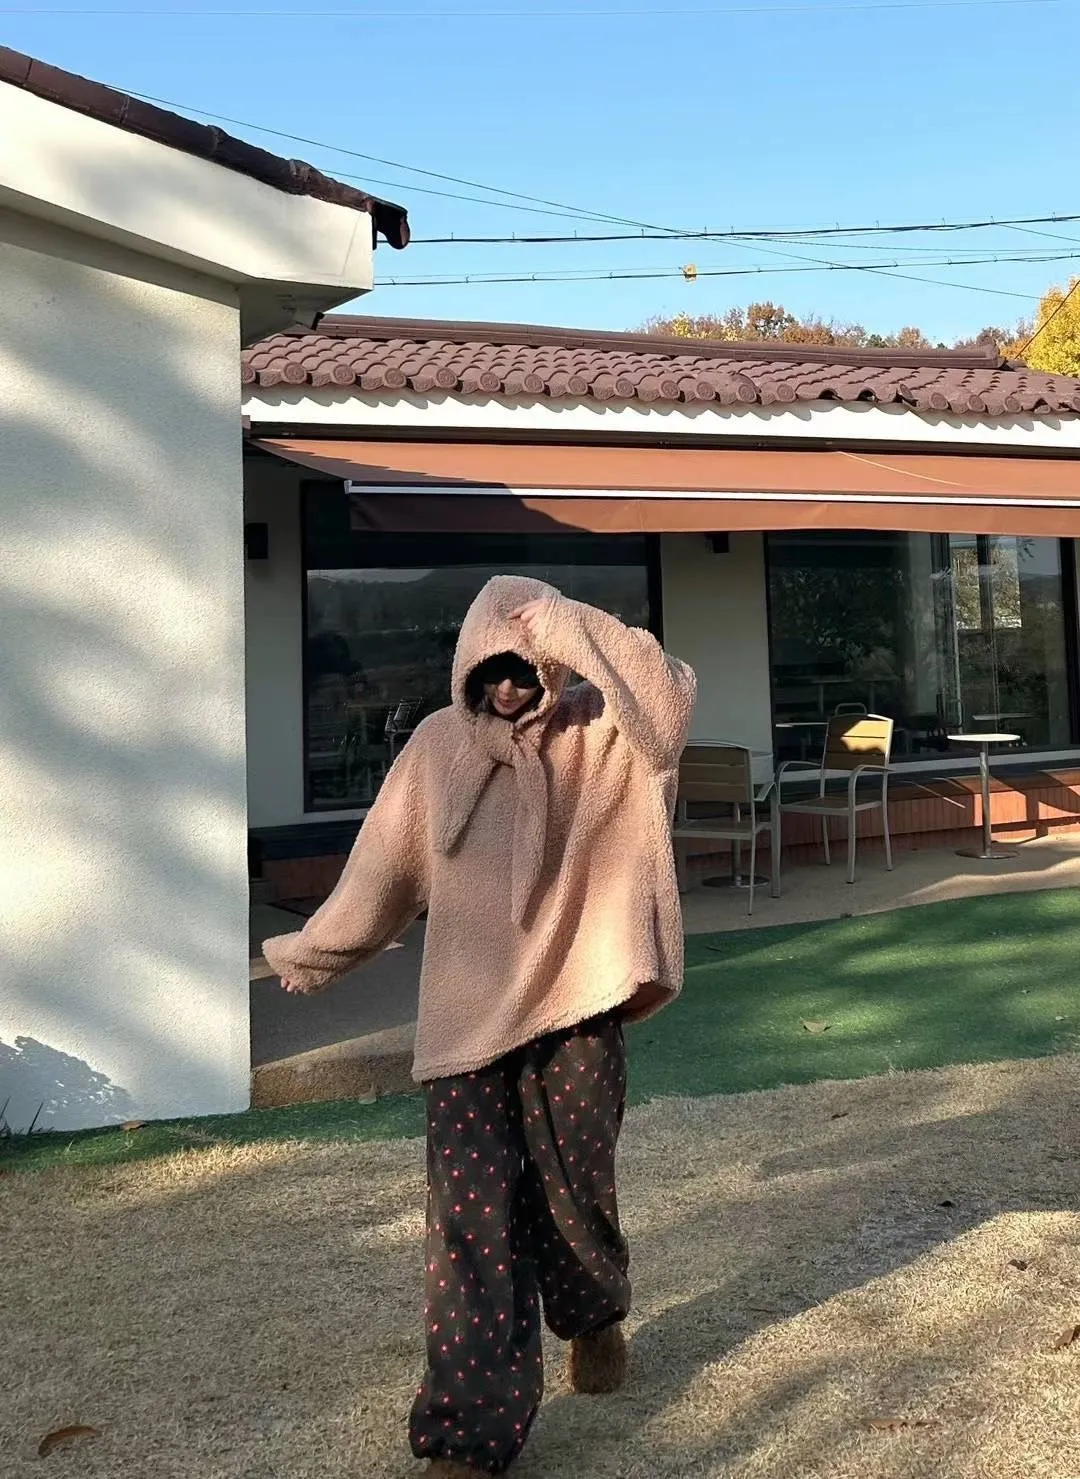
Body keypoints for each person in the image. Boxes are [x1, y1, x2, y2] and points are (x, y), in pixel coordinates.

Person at [262, 575, 696, 1476]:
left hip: (579, 1000)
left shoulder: (601, 731)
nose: (506, 687)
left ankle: (593, 1313)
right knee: (469, 1225)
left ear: (549, 665)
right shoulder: (435, 745)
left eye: (522, 670)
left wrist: (570, 624)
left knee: (575, 1193)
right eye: (490, 670)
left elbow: (668, 697)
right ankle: (467, 1435)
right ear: (465, 667)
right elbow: (383, 863)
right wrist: (317, 950)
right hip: (465, 1022)